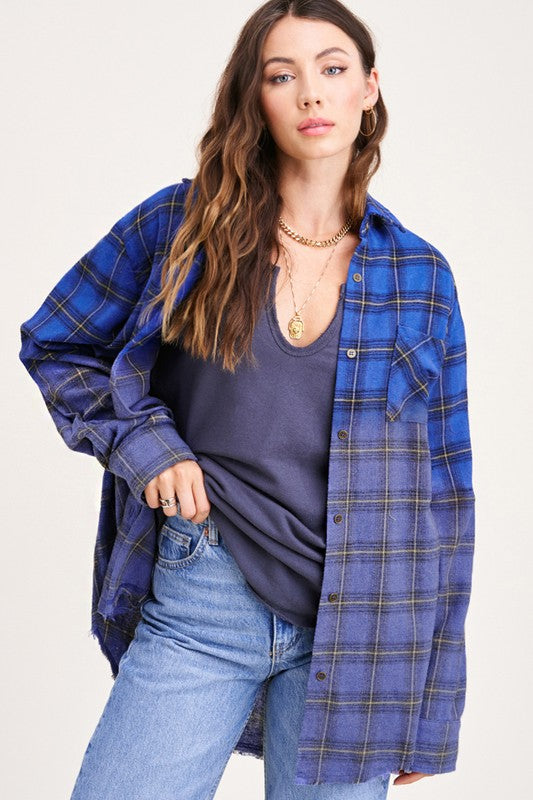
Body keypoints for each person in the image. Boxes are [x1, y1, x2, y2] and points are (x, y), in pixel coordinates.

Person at [18, 1, 476, 798]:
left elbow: (443, 497)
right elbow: (58, 344)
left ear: (368, 88)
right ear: (254, 97)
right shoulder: (184, 226)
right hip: (203, 598)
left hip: (360, 633)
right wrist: (149, 447)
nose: (311, 93)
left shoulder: (419, 277)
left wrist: (430, 703)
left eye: (332, 69)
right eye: (281, 74)